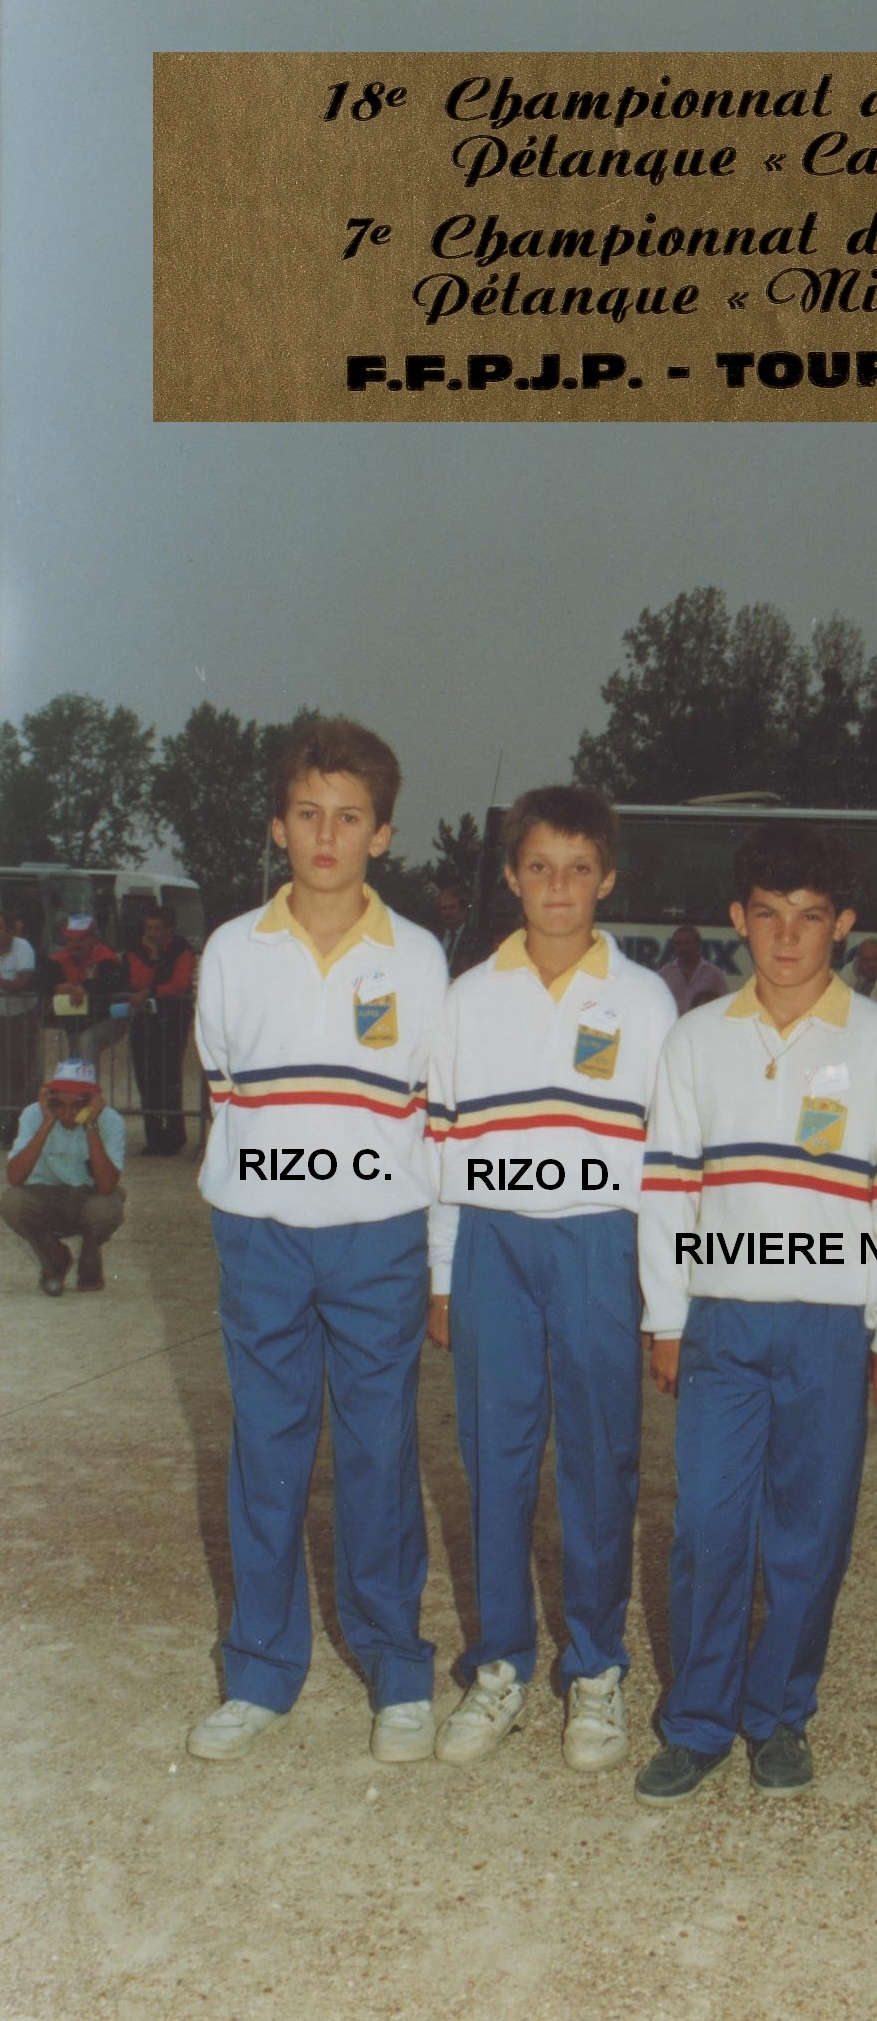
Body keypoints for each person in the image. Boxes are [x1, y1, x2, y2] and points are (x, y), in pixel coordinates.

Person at [634, 823, 877, 1805]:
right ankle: (697, 1721)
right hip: (723, 1321)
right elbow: (670, 1187)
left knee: (809, 1531)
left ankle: (780, 1715)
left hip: (828, 1327)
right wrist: (667, 1317)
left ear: (843, 925)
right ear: (737, 922)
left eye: (811, 918)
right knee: (709, 1527)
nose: (788, 938)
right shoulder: (696, 1038)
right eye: (768, 917)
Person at [187, 717, 448, 1766]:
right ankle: (259, 1669)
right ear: (278, 828)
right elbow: (224, 1091)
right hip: (262, 1239)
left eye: (349, 818)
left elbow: (431, 1114)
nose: (327, 837)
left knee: (381, 1453)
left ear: (381, 834)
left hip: (378, 1240)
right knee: (266, 1454)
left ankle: (396, 1670)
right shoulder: (230, 951)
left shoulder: (422, 960)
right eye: (308, 816)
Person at [426, 785, 677, 1772]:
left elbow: (668, 1161)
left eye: (579, 869)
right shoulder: (470, 995)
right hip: (493, 1241)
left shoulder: (646, 999)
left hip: (598, 1246)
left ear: (607, 877)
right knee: (493, 1460)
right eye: (540, 867)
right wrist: (446, 1277)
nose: (559, 887)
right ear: (512, 876)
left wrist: (663, 1292)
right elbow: (444, 1148)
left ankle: (598, 1667)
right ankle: (498, 1664)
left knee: (601, 1462)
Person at [2, 1059, 126, 1294]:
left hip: (88, 1198)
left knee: (107, 1206)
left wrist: (90, 1125)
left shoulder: (110, 1121)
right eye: (59, 1103)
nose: (67, 1113)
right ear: (49, 1099)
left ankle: (90, 1258)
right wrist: (48, 1121)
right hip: (45, 1196)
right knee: (12, 1200)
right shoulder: (33, 1115)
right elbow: (15, 1178)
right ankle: (54, 1257)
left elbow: (107, 1184)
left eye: (77, 1104)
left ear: (92, 1101)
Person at [123, 906, 196, 1154]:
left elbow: (180, 983)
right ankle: (154, 1138)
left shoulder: (182, 949)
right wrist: (153, 958)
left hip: (173, 1019)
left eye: (157, 928)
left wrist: (152, 991)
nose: (152, 933)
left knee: (169, 1076)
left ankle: (175, 1136)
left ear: (169, 930)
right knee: (146, 1077)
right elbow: (136, 981)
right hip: (144, 1019)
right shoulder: (135, 950)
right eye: (149, 928)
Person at [46, 916, 124, 1067]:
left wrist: (85, 987)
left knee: (87, 1041)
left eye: (80, 940)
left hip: (110, 1019)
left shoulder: (106, 957)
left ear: (92, 938)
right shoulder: (60, 957)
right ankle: (81, 1088)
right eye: (70, 940)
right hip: (77, 1021)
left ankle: (87, 1088)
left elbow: (109, 982)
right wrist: (55, 987)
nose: (74, 944)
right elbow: (42, 980)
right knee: (76, 1060)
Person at [0, 912, 38, 1146]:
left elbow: (23, 983)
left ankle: (15, 1127)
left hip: (19, 1016)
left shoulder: (22, 947)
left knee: (17, 1072)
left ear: (10, 930)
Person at [659, 922, 727, 1014]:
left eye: (687, 943)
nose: (683, 948)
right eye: (679, 944)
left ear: (698, 944)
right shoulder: (665, 973)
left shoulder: (714, 974)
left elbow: (724, 1004)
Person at [437, 882, 489, 980]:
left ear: (463, 910)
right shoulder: (435, 937)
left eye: (452, 907)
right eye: (444, 908)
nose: (447, 913)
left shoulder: (477, 939)